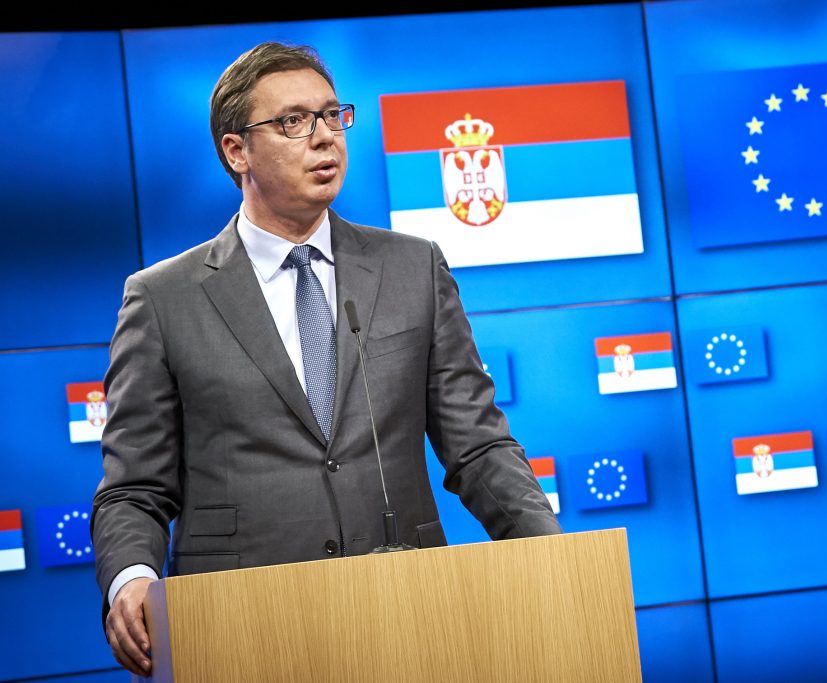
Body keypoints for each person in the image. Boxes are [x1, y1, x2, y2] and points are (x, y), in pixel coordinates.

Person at [91, 41, 561, 676]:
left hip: (410, 609)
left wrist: (550, 554)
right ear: (236, 151)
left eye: (331, 115)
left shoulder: (412, 266)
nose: (323, 137)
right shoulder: (162, 298)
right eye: (292, 121)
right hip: (242, 626)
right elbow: (134, 488)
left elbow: (477, 445)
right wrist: (131, 578)